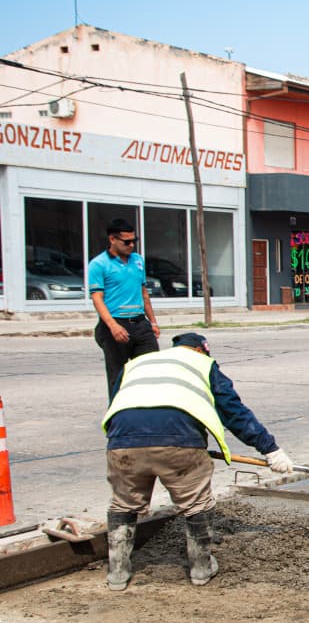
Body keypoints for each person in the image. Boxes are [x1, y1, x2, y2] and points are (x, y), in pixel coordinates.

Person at [101, 332, 294, 591]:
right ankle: (201, 568)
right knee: (196, 504)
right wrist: (270, 449)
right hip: (179, 445)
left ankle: (117, 573)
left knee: (123, 505)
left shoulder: (136, 364)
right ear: (202, 350)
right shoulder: (203, 364)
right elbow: (234, 413)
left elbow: (118, 405)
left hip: (123, 445)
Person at [88, 218, 161, 397]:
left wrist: (152, 322)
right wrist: (113, 326)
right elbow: (97, 299)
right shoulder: (99, 264)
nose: (131, 245)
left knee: (150, 371)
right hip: (115, 324)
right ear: (112, 240)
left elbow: (144, 293)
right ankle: (117, 420)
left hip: (140, 323)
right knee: (118, 377)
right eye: (126, 242)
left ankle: (147, 416)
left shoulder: (137, 260)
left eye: (134, 241)